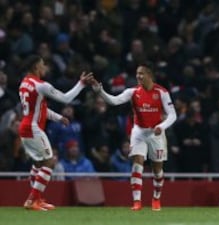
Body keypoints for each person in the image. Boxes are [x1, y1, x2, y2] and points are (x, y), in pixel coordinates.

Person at [91, 62, 177, 211]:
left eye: (141, 73)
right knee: (138, 163)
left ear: (149, 75)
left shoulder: (161, 92)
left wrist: (161, 127)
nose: (138, 76)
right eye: (137, 73)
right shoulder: (133, 92)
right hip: (139, 132)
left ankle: (156, 198)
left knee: (157, 170)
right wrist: (100, 91)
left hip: (156, 133)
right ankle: (137, 201)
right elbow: (114, 101)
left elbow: (173, 115)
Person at [18, 55, 93, 211]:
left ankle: (37, 199)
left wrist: (58, 117)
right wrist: (81, 84)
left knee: (38, 163)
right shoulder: (41, 85)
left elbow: (40, 109)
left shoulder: (24, 83)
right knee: (50, 162)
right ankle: (32, 200)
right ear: (36, 67)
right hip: (33, 128)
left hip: (25, 127)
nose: (45, 67)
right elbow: (66, 98)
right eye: (42, 64)